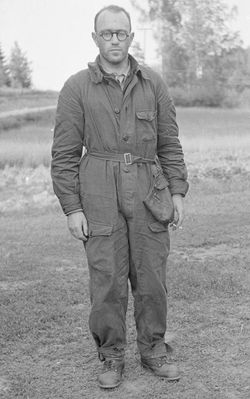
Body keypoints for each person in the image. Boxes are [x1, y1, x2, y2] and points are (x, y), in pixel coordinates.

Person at [51, 4, 188, 389]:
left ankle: (154, 350)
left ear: (131, 36)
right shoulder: (77, 87)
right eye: (107, 33)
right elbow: (63, 154)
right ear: (95, 39)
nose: (114, 39)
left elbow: (170, 144)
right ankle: (111, 356)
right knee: (107, 279)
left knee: (151, 278)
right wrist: (72, 207)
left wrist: (177, 191)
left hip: (149, 190)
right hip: (98, 192)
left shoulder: (153, 84)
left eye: (121, 33)